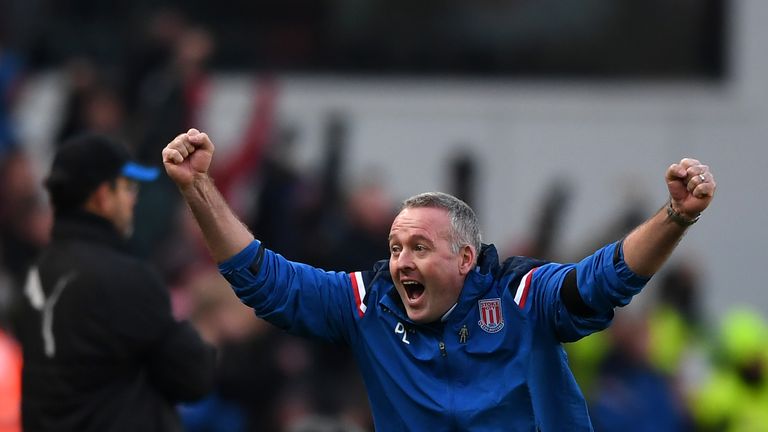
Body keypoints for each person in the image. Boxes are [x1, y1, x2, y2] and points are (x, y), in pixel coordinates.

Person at [162, 128, 716, 431]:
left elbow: (604, 280)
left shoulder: (522, 296)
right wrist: (198, 190)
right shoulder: (369, 304)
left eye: (420, 247)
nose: (401, 261)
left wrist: (676, 216)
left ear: (467, 259)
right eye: (395, 247)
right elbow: (265, 280)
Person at [15, 134, 217, 431]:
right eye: (127, 187)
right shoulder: (126, 279)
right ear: (101, 197)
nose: (133, 198)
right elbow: (194, 378)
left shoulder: (35, 275)